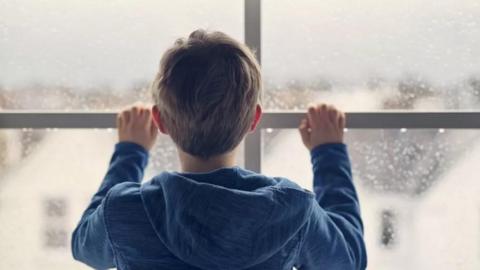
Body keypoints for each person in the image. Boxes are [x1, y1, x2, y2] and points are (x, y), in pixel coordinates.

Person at [71, 30, 367, 270]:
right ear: (254, 120)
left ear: (159, 121)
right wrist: (329, 152)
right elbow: (349, 259)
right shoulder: (292, 211)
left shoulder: (126, 210)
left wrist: (130, 151)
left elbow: (84, 247)